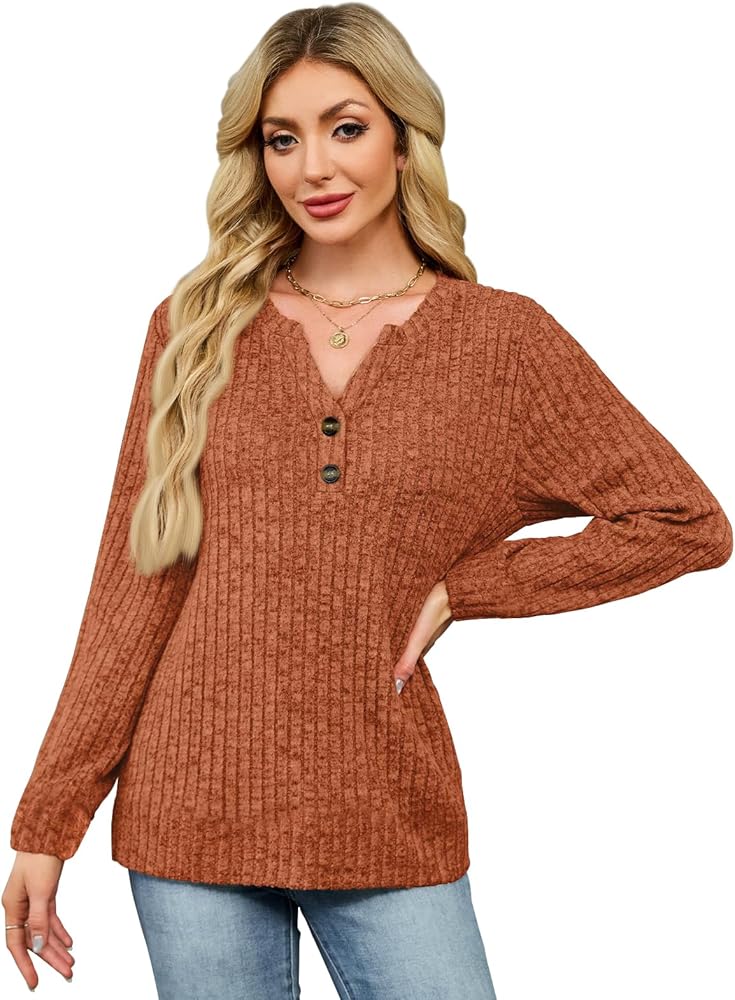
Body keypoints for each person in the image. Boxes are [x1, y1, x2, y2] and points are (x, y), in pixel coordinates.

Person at [3, 4, 732, 998]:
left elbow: (683, 521)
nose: (313, 167)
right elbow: (134, 590)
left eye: (344, 128)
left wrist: (470, 587)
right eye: (282, 139)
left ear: (401, 135)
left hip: (384, 806)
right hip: (188, 808)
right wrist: (47, 825)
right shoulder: (195, 327)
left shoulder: (501, 341)